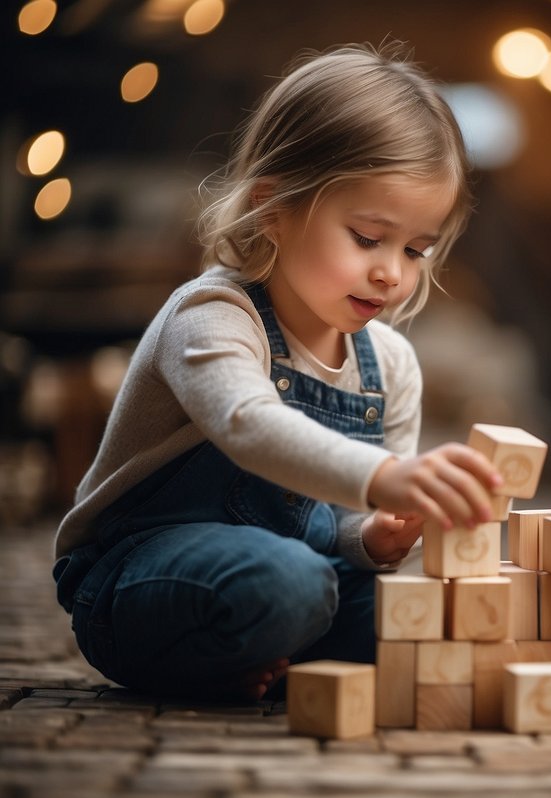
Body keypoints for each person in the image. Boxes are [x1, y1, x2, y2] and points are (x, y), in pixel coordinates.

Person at [52, 42, 502, 701]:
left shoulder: (391, 364)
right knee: (288, 580)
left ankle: (266, 656)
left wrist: (374, 534)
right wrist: (388, 478)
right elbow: (249, 426)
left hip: (305, 573)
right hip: (137, 577)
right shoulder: (212, 314)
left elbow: (342, 523)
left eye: (416, 249)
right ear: (273, 208)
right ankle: (213, 656)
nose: (393, 272)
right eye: (368, 237)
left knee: (416, 619)